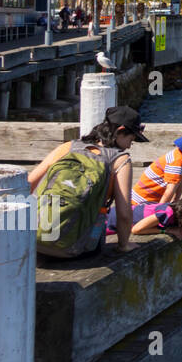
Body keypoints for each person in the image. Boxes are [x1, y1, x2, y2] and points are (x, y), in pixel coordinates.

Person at [28, 105, 149, 256]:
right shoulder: (120, 160)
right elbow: (124, 213)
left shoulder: (69, 147)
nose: (131, 145)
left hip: (34, 240)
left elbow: (29, 183)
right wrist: (124, 245)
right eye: (132, 138)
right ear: (120, 131)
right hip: (77, 248)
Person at [107, 188, 182, 240]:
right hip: (108, 222)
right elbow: (136, 229)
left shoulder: (177, 211)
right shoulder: (167, 213)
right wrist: (168, 230)